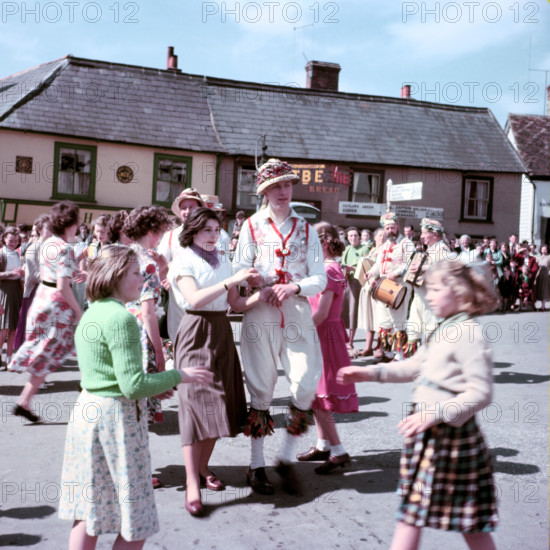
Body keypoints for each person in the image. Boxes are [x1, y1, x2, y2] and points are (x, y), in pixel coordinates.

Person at [58, 244, 212, 548]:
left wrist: (155, 384)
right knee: (136, 517)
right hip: (116, 421)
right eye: (133, 273)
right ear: (115, 275)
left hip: (88, 414)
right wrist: (179, 375)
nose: (141, 278)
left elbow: (108, 375)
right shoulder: (122, 319)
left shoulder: (91, 313)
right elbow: (131, 386)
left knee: (89, 513)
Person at [338, 261, 499, 550]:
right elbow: (414, 366)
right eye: (429, 290)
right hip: (428, 436)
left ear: (460, 293)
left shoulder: (468, 333)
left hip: (452, 439)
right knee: (411, 514)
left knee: (471, 523)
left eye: (437, 290)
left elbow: (481, 392)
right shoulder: (444, 328)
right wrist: (369, 373)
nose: (430, 296)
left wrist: (435, 413)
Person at [233, 158, 326, 495]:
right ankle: (256, 466)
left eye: (287, 185)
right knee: (261, 383)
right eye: (276, 186)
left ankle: (285, 456)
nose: (283, 191)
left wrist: (296, 287)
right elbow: (240, 267)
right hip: (262, 308)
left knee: (304, 382)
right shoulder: (252, 225)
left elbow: (320, 276)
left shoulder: (306, 228)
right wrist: (258, 280)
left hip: (297, 310)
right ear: (265, 191)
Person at [169, 207, 266, 515]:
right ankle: (192, 483)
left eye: (217, 229)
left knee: (219, 404)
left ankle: (202, 467)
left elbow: (235, 303)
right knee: (195, 405)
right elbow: (195, 299)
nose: (214, 235)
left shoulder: (224, 260)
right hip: (195, 329)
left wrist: (262, 295)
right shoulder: (183, 260)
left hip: (221, 331)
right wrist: (231, 281)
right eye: (207, 230)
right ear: (193, 232)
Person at [9, 201, 82, 421]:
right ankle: (87, 388)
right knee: (56, 348)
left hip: (42, 297)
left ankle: (25, 400)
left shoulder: (48, 243)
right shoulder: (65, 248)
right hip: (56, 304)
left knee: (48, 350)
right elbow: (62, 285)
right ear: (71, 224)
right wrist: (78, 310)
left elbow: (46, 274)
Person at [296, 223, 358, 473]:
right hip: (322, 333)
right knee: (316, 394)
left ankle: (339, 451)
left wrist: (297, 333)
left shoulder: (330, 270)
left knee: (320, 395)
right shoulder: (327, 268)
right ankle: (323, 444)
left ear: (322, 243)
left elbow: (321, 313)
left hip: (323, 334)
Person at [123, 206, 172, 424]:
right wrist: (159, 352)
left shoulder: (123, 252)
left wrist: (162, 271)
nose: (161, 236)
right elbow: (149, 313)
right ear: (152, 231)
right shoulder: (147, 263)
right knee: (140, 391)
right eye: (161, 231)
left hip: (121, 321)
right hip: (140, 328)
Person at [157, 188, 205, 342]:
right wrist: (164, 278)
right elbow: (160, 264)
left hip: (205, 296)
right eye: (183, 208)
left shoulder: (213, 234)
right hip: (177, 300)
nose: (187, 211)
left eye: (192, 207)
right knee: (179, 340)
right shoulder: (170, 236)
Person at [366, 212, 414, 362]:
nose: (389, 231)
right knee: (384, 322)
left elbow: (411, 263)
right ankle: (388, 352)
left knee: (398, 321)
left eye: (392, 228)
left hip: (399, 287)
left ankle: (400, 355)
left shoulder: (406, 243)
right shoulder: (384, 245)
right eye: (387, 228)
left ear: (398, 226)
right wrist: (371, 274)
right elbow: (378, 265)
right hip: (383, 287)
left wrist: (396, 272)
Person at [404, 218, 449, 357]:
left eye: (424, 233)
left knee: (431, 328)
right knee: (413, 326)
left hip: (431, 297)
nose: (421, 236)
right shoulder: (429, 249)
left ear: (435, 235)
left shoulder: (442, 249)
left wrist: (424, 268)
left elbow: (444, 269)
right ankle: (417, 360)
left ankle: (433, 362)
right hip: (420, 295)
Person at [13, 214, 52, 352]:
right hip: (34, 292)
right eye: (49, 228)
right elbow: (34, 274)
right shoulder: (33, 248)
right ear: (40, 230)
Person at [357, 227, 386, 357]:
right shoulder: (373, 250)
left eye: (384, 235)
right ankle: (368, 347)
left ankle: (380, 347)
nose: (382, 238)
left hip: (379, 287)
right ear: (374, 238)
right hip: (368, 287)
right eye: (380, 235)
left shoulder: (386, 251)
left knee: (380, 319)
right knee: (369, 318)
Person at [341, 226, 370, 355]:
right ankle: (343, 338)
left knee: (353, 312)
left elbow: (367, 266)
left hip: (357, 283)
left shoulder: (364, 249)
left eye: (355, 236)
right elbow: (342, 264)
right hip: (346, 283)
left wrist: (353, 269)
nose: (353, 238)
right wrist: (344, 270)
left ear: (359, 237)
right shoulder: (347, 249)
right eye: (350, 236)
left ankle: (351, 341)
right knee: (343, 311)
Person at [0, 227, 25, 368]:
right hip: (4, 290)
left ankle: (9, 359)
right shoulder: (1, 254)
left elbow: (19, 276)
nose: (13, 243)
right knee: (4, 328)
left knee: (13, 328)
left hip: (16, 290)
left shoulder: (16, 254)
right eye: (10, 240)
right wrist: (10, 274)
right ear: (4, 239)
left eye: (16, 240)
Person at [535, 244, 550, 312]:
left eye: (545, 249)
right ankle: (536, 305)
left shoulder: (549, 257)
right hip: (539, 274)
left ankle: (543, 306)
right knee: (539, 289)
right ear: (540, 250)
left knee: (544, 289)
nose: (544, 250)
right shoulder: (538, 257)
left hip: (546, 274)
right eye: (542, 249)